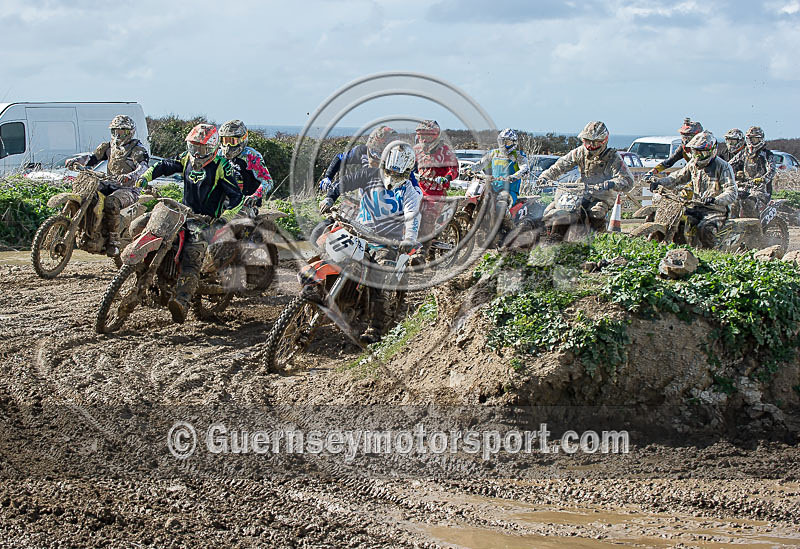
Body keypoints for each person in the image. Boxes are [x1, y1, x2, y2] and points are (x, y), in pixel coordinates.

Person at [136, 123, 243, 323]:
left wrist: (225, 218)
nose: (197, 152)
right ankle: (141, 271)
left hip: (206, 220)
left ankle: (182, 300)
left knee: (191, 256)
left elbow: (237, 197)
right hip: (183, 213)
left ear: (212, 148)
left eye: (201, 148)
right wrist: (146, 176)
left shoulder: (222, 166)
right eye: (193, 147)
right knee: (142, 224)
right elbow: (164, 165)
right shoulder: (186, 158)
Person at [320, 140, 422, 344]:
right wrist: (330, 198)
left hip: (386, 242)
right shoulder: (369, 175)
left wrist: (409, 238)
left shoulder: (411, 191)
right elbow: (344, 183)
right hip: (357, 229)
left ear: (408, 172)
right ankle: (316, 293)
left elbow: (413, 216)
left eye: (399, 174)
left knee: (378, 281)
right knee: (326, 248)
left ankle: (375, 329)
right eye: (389, 171)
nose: (392, 177)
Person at [65, 115, 150, 256]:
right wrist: (76, 160)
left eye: (123, 131)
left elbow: (143, 167)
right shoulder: (108, 147)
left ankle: (114, 241)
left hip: (129, 188)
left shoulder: (137, 149)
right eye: (116, 131)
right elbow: (92, 158)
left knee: (111, 203)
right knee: (87, 194)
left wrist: (131, 175)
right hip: (109, 182)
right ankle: (86, 228)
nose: (119, 135)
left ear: (130, 132)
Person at [539, 121, 634, 231]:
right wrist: (545, 177)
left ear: (604, 141)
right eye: (587, 141)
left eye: (595, 143)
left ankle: (599, 240)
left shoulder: (613, 157)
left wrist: (611, 183)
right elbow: (561, 165)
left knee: (596, 214)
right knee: (549, 210)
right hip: (580, 192)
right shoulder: (580, 152)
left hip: (602, 195)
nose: (591, 146)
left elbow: (628, 180)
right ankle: (546, 238)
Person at [648, 131, 738, 248]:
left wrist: (715, 199)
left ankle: (711, 252)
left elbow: (731, 191)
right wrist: (659, 182)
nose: (698, 156)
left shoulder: (723, 166)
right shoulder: (693, 164)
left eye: (702, 153)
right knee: (675, 219)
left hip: (716, 210)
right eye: (695, 152)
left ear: (712, 151)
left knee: (704, 228)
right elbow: (677, 177)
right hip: (695, 206)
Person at [412, 120, 458, 255]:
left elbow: (454, 168)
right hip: (417, 190)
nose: (424, 139)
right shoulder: (416, 150)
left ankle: (421, 253)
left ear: (436, 136)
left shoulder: (445, 151)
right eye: (421, 135)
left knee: (428, 216)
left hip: (437, 192)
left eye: (428, 135)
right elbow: (410, 166)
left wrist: (446, 178)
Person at [317, 126, 398, 193]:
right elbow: (340, 158)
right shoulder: (363, 151)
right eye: (373, 150)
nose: (375, 156)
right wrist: (328, 177)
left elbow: (410, 177)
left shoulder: (400, 158)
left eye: (380, 151)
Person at [218, 120, 273, 206]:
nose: (228, 145)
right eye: (225, 141)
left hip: (247, 204)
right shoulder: (219, 155)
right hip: (223, 202)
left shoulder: (251, 155)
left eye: (232, 141)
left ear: (242, 139)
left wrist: (254, 196)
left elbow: (267, 181)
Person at [470, 128, 529, 208]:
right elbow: (480, 164)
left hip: (509, 190)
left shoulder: (518, 155)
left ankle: (506, 220)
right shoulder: (494, 153)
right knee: (476, 197)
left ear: (513, 143)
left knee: (502, 204)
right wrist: (469, 169)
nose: (503, 145)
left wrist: (514, 176)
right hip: (493, 187)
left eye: (507, 143)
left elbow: (525, 169)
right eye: (502, 142)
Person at [729, 126, 776, 217]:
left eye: (754, 139)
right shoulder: (744, 152)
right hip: (745, 186)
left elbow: (772, 170)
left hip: (762, 189)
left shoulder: (767, 154)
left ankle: (755, 229)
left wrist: (762, 179)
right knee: (733, 201)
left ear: (761, 139)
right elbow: (730, 164)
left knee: (748, 203)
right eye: (750, 139)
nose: (751, 142)